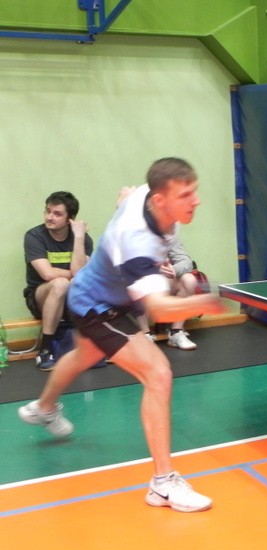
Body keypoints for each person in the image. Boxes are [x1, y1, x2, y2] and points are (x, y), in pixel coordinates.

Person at [18, 158, 225, 512]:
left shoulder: (145, 196)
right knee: (158, 374)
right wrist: (208, 301)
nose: (196, 200)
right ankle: (162, 484)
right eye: (186, 194)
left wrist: (124, 201)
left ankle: (44, 407)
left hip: (98, 293)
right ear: (159, 200)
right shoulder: (137, 243)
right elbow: (159, 309)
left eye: (194, 191)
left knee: (85, 355)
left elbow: (126, 194)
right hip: (98, 306)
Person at [23, 191, 93, 370]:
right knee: (61, 283)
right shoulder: (34, 236)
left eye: (57, 214)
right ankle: (45, 350)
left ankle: (96, 344)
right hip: (40, 296)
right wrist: (74, 274)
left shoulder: (83, 239)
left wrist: (79, 237)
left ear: (70, 219)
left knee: (90, 285)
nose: (49, 217)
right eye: (47, 211)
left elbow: (80, 274)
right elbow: (47, 274)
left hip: (71, 299)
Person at [137, 239, 200, 350]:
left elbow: (186, 261)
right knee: (140, 282)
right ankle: (145, 334)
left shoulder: (169, 236)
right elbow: (123, 266)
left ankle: (176, 332)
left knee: (189, 280)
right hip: (141, 281)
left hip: (164, 281)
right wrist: (154, 269)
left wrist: (173, 269)